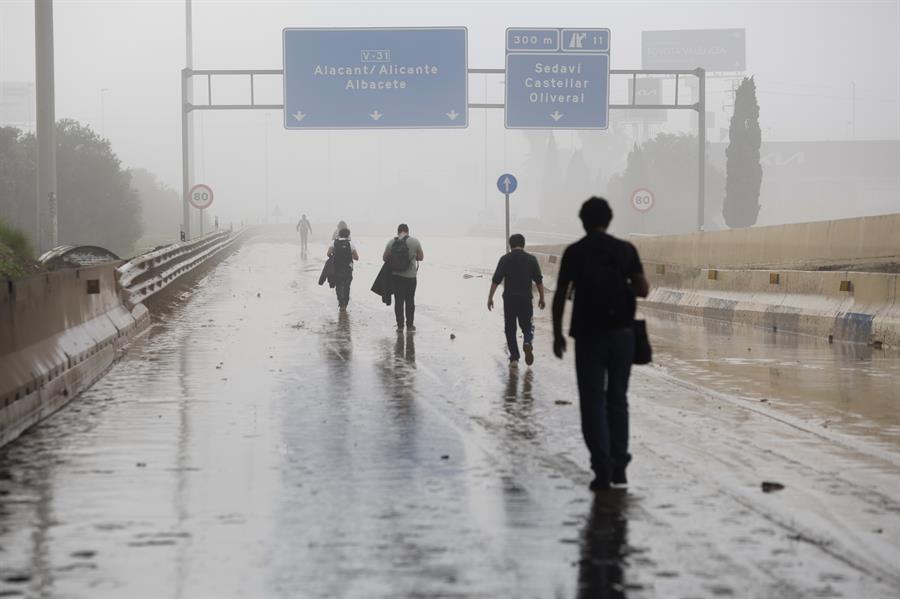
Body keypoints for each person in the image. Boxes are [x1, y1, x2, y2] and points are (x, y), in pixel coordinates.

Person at [552, 197, 650, 492]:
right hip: (622, 334)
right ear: (609, 220)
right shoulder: (625, 249)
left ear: (582, 221)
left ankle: (602, 466)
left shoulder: (575, 252)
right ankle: (620, 464)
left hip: (588, 335)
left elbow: (559, 295)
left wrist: (557, 334)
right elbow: (643, 289)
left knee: (592, 401)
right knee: (618, 399)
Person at [487, 234, 546, 368]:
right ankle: (527, 342)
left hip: (509, 299)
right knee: (528, 326)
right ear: (523, 244)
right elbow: (539, 280)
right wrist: (542, 297)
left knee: (510, 329)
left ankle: (514, 358)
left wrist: (490, 297)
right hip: (525, 299)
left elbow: (496, 280)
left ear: (510, 245)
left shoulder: (505, 259)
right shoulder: (531, 259)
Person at [383, 223, 423, 332]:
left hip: (396, 277)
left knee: (398, 301)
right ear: (407, 231)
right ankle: (410, 326)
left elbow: (384, 258)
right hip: (411, 277)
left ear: (398, 231)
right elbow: (421, 257)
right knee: (410, 300)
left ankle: (400, 326)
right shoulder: (415, 241)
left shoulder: (391, 242)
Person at [327, 227, 359, 310]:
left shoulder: (334, 243)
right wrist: (349, 256)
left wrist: (334, 257)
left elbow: (328, 253)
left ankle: (341, 304)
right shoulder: (350, 244)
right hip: (348, 268)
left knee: (339, 285)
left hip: (337, 268)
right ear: (348, 235)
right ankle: (345, 303)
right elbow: (356, 257)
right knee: (347, 286)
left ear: (339, 234)